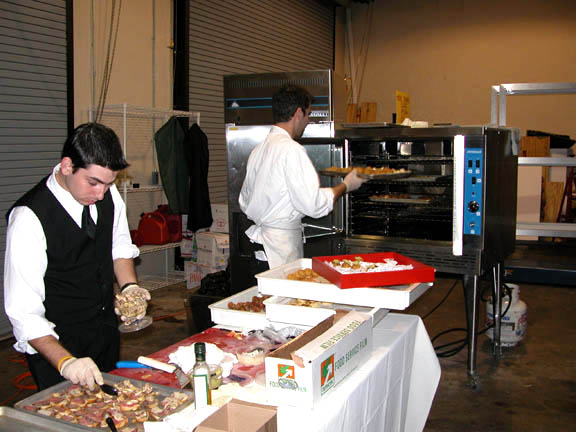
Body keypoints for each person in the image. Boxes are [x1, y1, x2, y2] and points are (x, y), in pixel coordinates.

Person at [4, 122, 150, 391]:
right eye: (93, 183)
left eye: (109, 184)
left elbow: (119, 246)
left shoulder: (106, 192)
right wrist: (66, 363)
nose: (101, 193)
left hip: (104, 334)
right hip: (58, 347)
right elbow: (24, 312)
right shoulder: (29, 218)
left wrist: (130, 287)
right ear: (67, 166)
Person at [239, 84, 366, 270]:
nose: (308, 121)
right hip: (279, 252)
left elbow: (244, 201)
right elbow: (312, 204)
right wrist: (346, 185)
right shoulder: (292, 150)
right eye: (308, 114)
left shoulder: (259, 149)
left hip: (261, 248)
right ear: (298, 113)